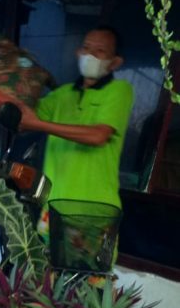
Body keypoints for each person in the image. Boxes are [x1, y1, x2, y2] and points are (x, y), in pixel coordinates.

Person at [18, 26, 134, 232]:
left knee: (83, 256)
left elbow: (99, 135)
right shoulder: (62, 95)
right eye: (86, 48)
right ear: (78, 53)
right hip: (53, 207)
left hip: (94, 210)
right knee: (42, 254)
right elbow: (24, 118)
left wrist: (38, 125)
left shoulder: (119, 91)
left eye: (100, 51)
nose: (90, 55)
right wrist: (23, 75)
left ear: (115, 62)